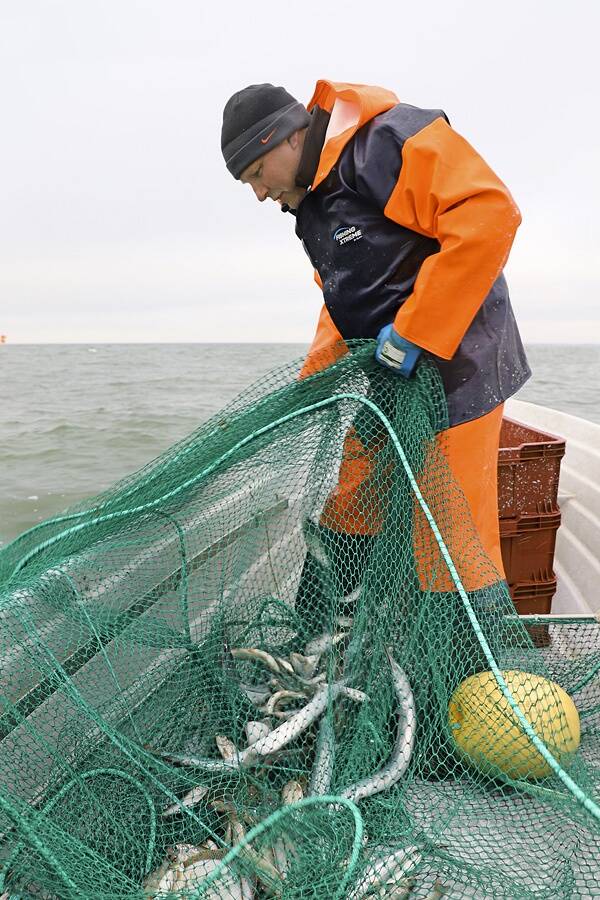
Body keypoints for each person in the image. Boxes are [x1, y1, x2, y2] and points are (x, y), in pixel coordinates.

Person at [220, 79, 531, 612]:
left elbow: (488, 214)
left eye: (256, 173)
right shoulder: (313, 201)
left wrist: (415, 332)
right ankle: (325, 635)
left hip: (461, 370)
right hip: (389, 378)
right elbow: (343, 299)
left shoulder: (385, 141)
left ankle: (459, 675)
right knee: (348, 500)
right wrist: (309, 387)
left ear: (290, 138)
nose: (258, 193)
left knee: (446, 536)